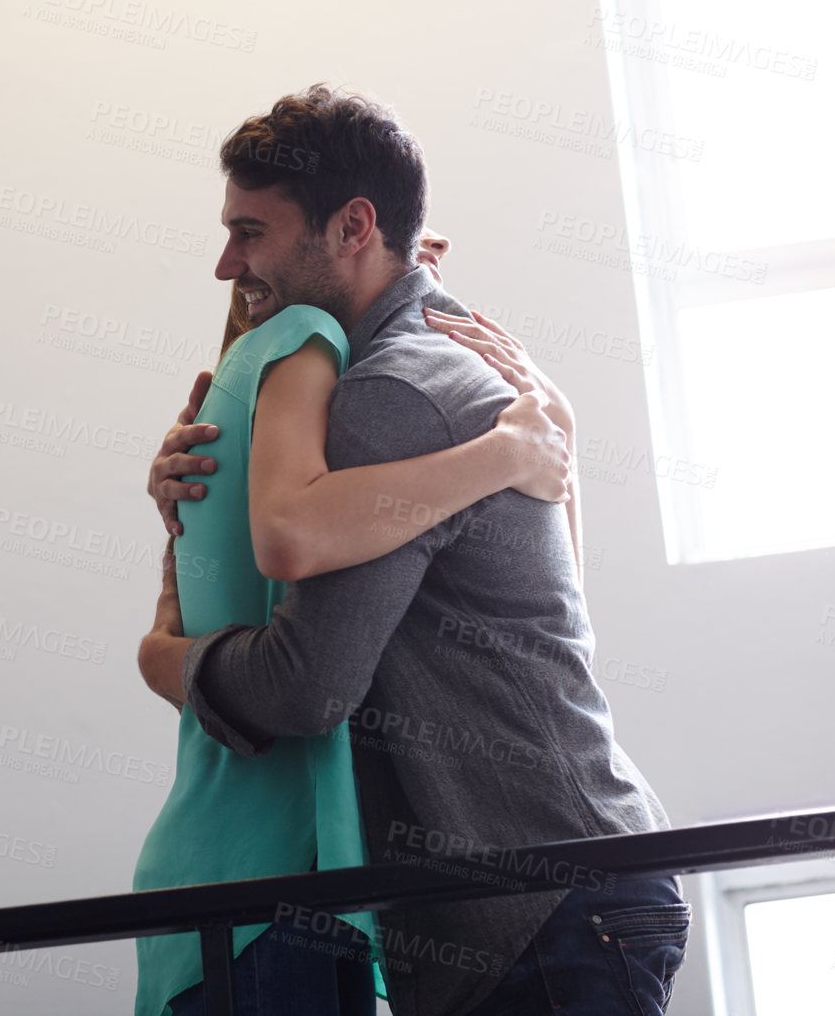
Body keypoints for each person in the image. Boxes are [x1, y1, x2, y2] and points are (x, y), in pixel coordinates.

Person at [138, 85, 685, 1016]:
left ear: (354, 226)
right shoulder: (441, 363)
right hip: (565, 888)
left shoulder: (396, 395)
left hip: (541, 901)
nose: (227, 263)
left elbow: (307, 685)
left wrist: (169, 658)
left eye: (252, 231)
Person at [132, 218, 577, 1016]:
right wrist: (511, 454)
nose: (425, 292)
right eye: (415, 262)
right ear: (353, 243)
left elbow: (555, 621)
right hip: (271, 885)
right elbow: (293, 649)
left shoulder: (370, 403)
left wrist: (553, 450)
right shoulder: (309, 347)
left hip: (322, 886)